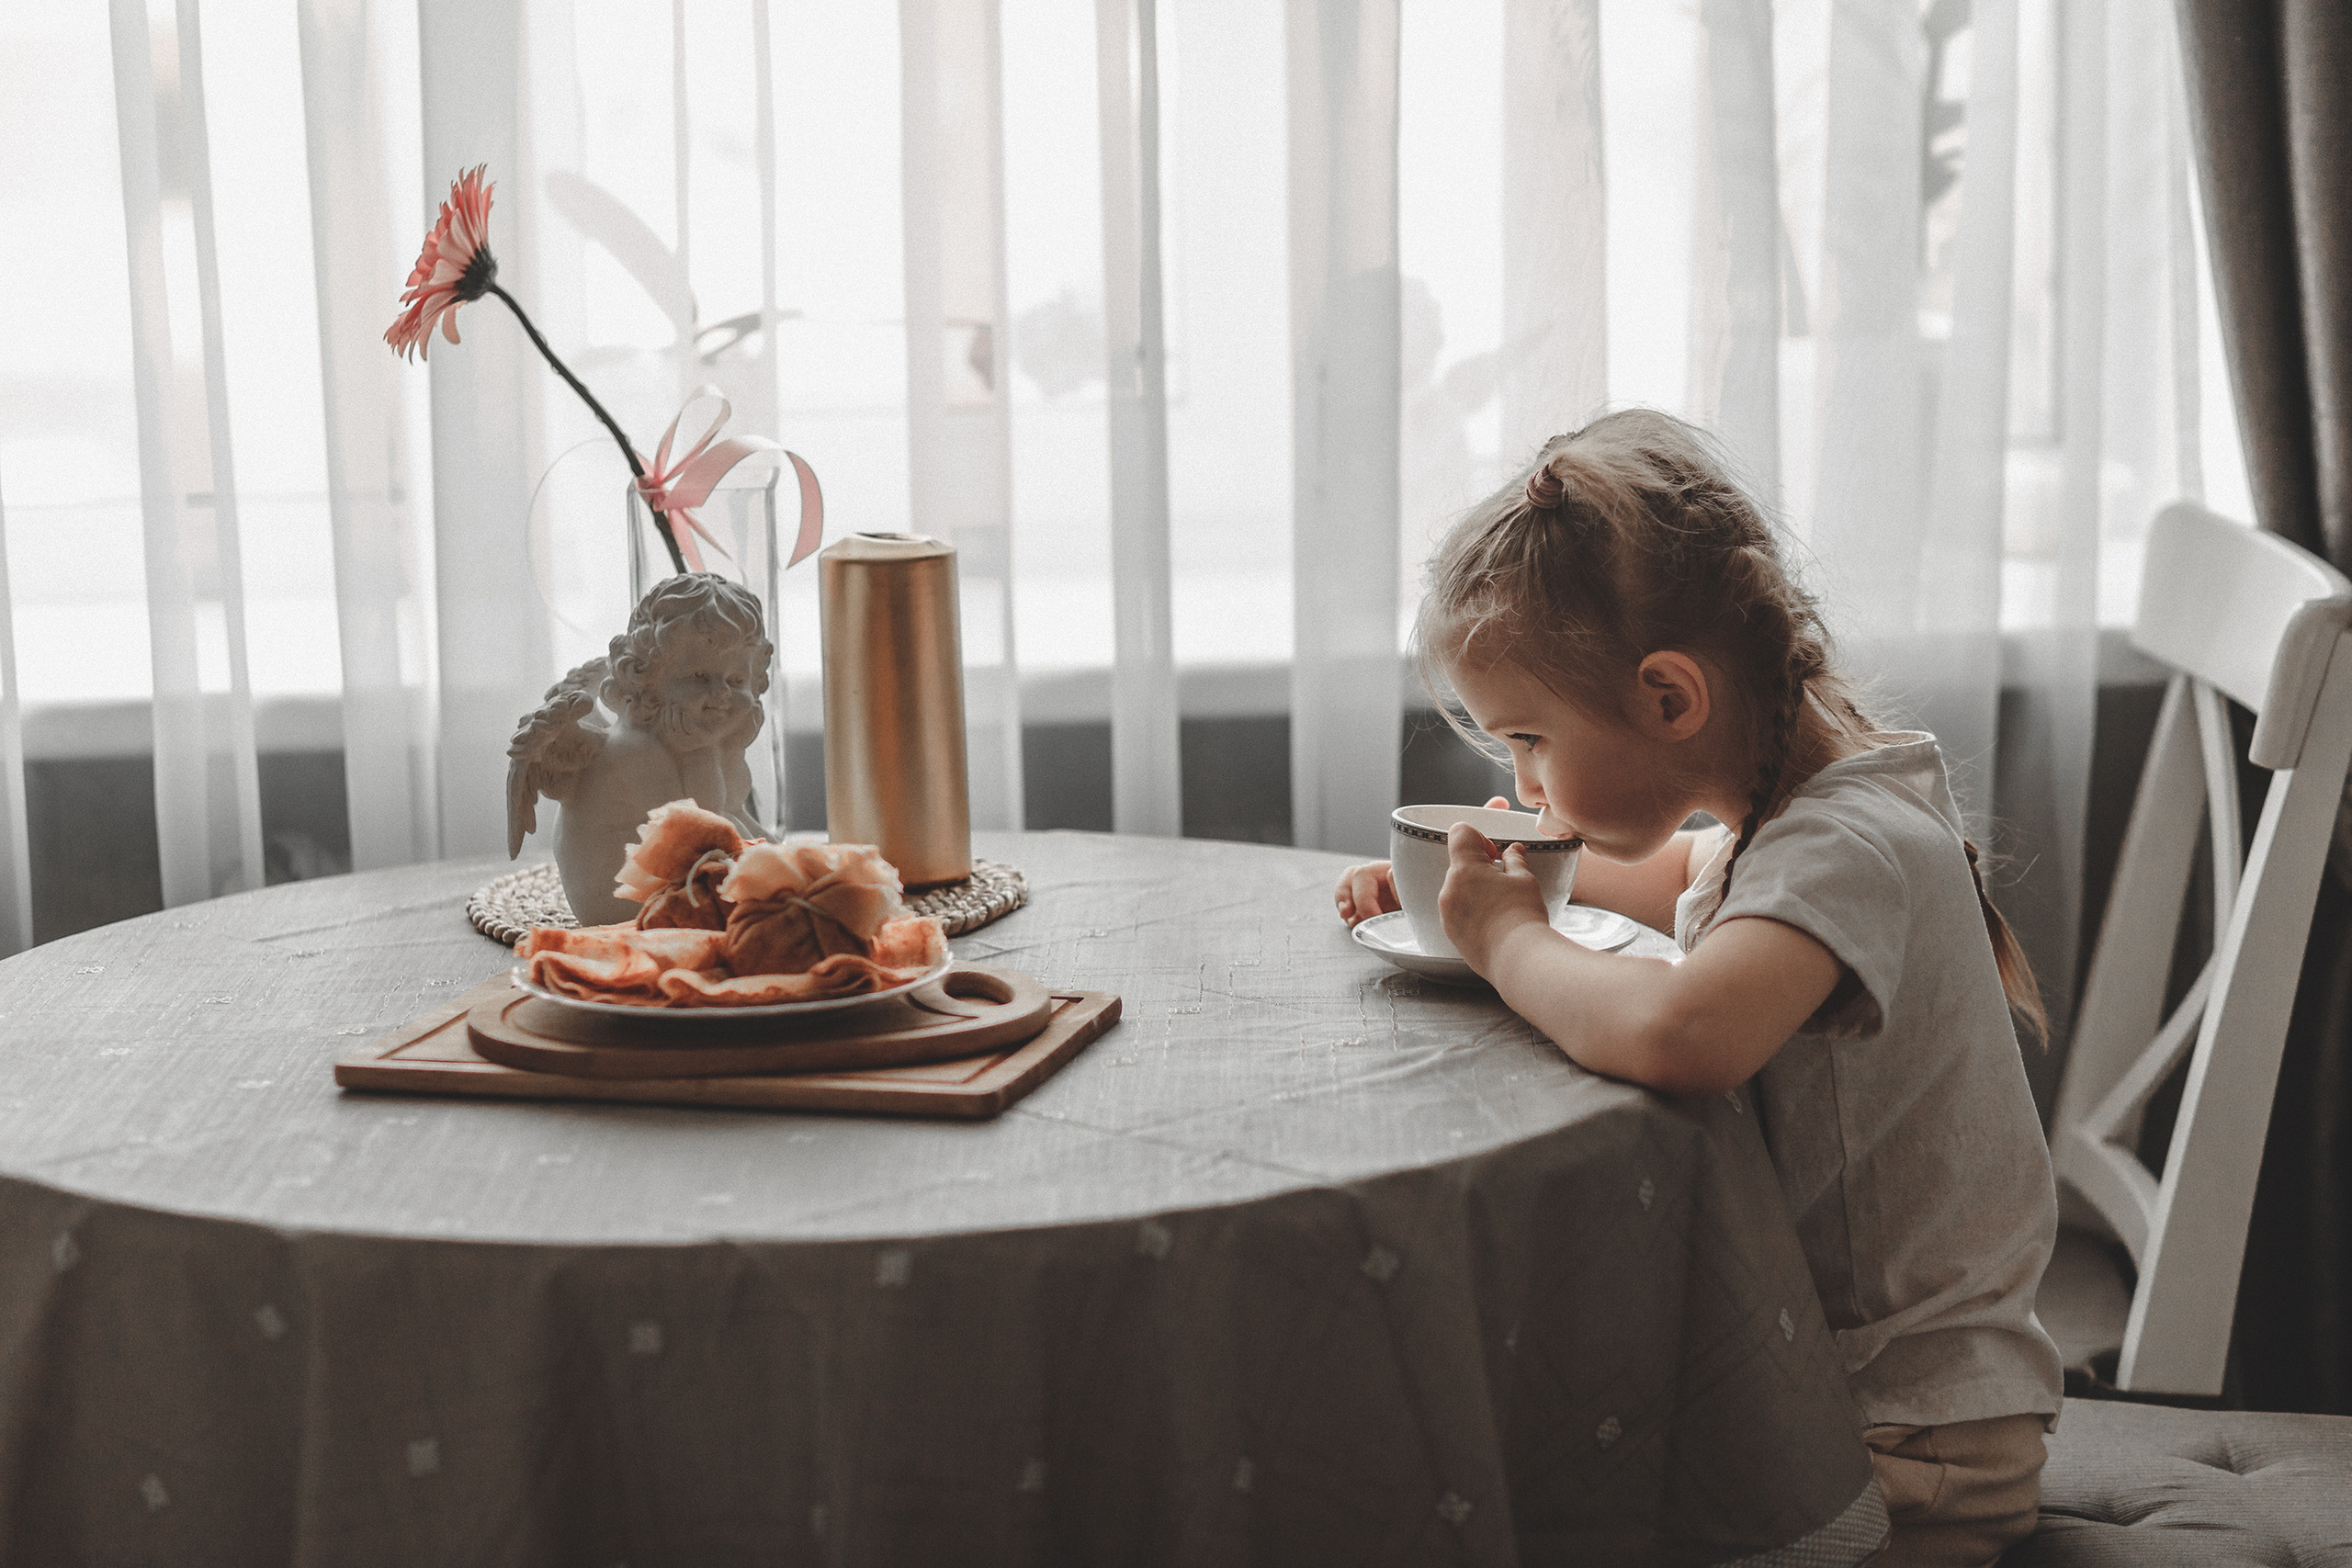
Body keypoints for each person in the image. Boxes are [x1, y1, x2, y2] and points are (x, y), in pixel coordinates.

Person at [1335, 410, 2062, 1567]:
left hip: (1912, 1450)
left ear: (1670, 700)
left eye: (1528, 741)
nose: (1520, 781)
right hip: (1852, 1395)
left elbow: (1682, 1033)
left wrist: (1510, 941)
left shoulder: (1844, 848)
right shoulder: (1782, 821)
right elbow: (1666, 882)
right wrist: (1458, 897)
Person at [506, 572, 772, 924]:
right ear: (648, 679)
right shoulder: (632, 753)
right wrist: (701, 753)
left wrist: (787, 858)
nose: (721, 694)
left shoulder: (693, 739)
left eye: (737, 681)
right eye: (698, 677)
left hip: (676, 885)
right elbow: (705, 831)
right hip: (621, 907)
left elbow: (738, 817)